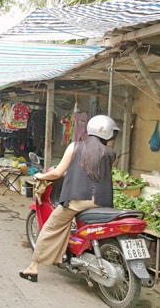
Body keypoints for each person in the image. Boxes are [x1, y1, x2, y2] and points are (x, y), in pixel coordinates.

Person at [19, 115, 119, 283]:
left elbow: (57, 173)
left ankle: (33, 268)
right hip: (102, 201)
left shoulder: (75, 147)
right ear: (109, 134)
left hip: (79, 200)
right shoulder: (110, 153)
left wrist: (41, 175)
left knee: (51, 227)